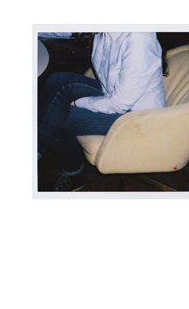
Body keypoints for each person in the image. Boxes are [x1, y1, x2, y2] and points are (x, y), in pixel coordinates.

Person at [38, 32, 166, 191]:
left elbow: (119, 104)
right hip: (113, 95)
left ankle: (73, 174)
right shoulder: (104, 30)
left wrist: (79, 103)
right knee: (58, 81)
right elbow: (68, 29)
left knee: (59, 117)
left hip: (136, 116)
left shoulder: (139, 41)